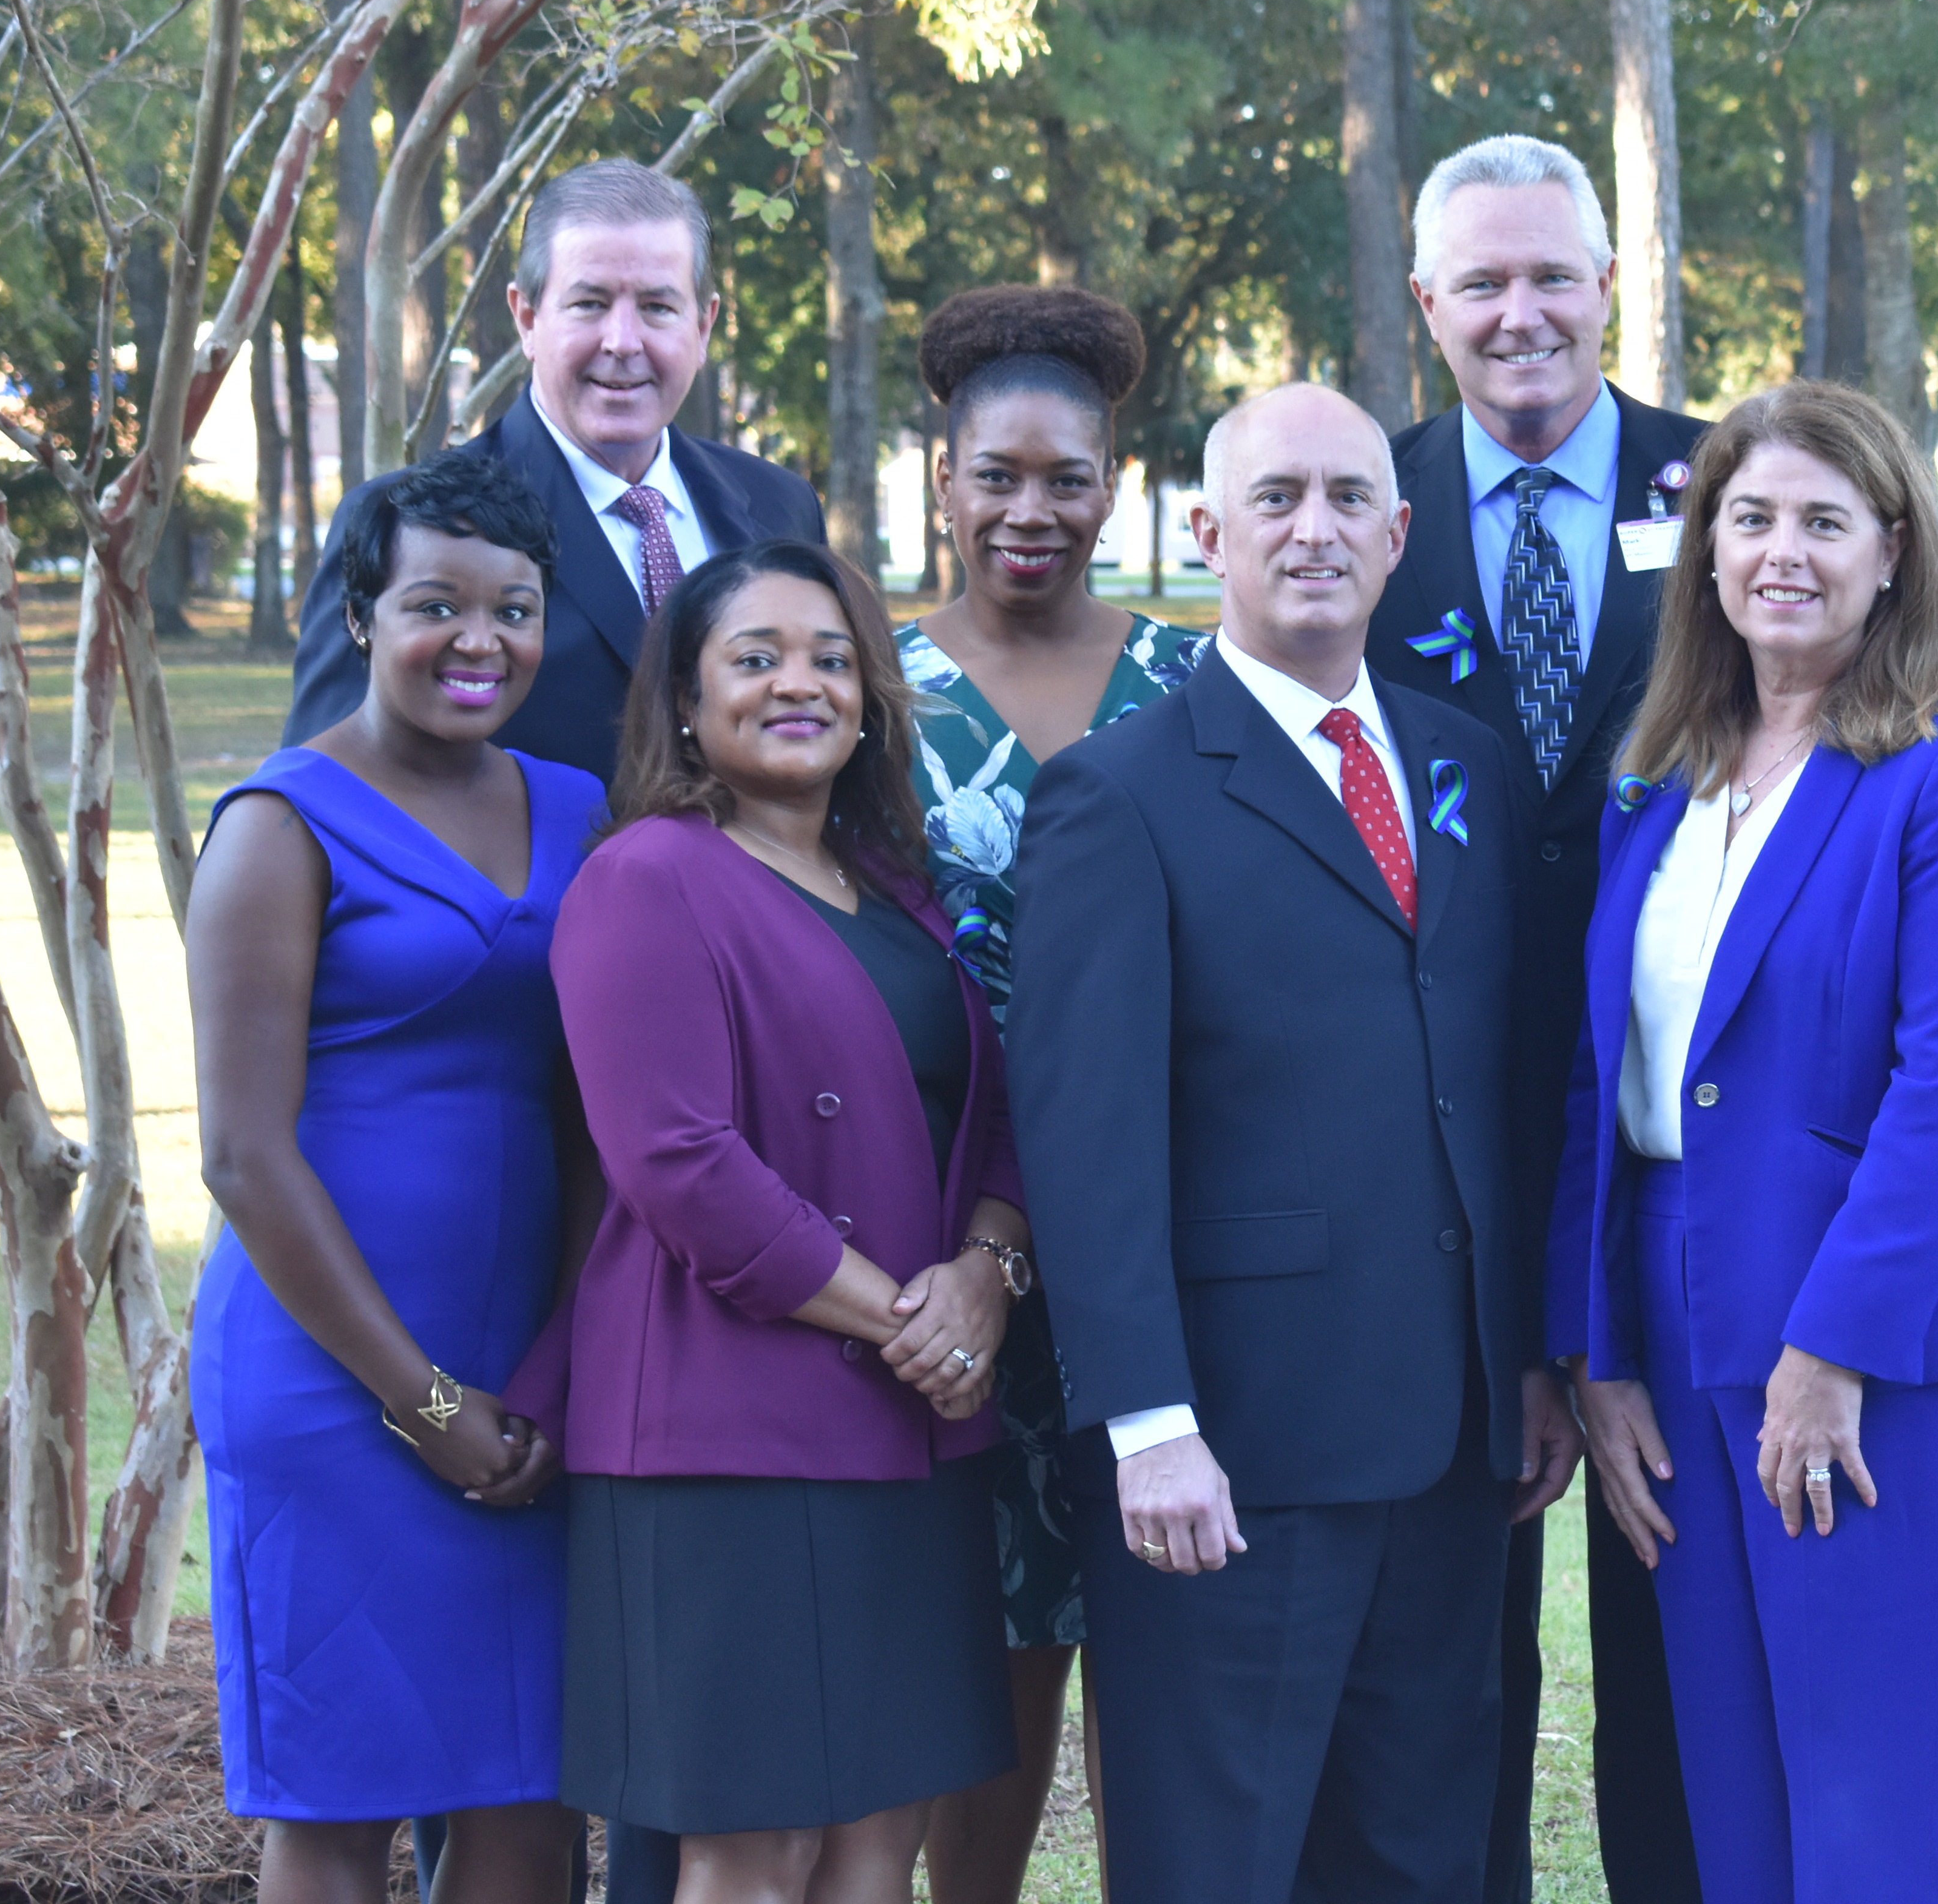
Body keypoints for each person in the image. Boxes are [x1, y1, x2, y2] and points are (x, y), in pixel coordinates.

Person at [1006, 383, 1582, 1903]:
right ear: (1207, 534)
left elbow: (1509, 1082)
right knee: (1223, 1861)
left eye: (1346, 500)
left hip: (1456, 1439)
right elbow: (1088, 1139)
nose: (1313, 530)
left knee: (1429, 1852)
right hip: (1234, 1450)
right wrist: (1146, 1420)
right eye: (1276, 500)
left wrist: (1524, 1356)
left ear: (1400, 536)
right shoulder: (1116, 795)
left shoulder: (1469, 765)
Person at [1551, 380, 1938, 1903]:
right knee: (1734, 1802)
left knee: (1864, 1808)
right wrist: (1599, 1350)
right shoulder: (1662, 778)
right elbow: (1608, 1080)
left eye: (1824, 521)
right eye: (1749, 517)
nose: (1783, 551)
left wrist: (1832, 1351)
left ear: (1893, 552)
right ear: (1703, 551)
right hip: (1674, 1329)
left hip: (1873, 1355)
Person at [536, 540, 1031, 1904]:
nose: (797, 681)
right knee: (755, 1849)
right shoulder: (646, 876)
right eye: (754, 657)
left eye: (828, 656)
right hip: (728, 1429)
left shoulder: (899, 890)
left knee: (880, 1834)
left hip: (914, 1428)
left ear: (871, 696)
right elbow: (678, 1157)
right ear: (686, 705)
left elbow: (994, 1108)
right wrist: (912, 1320)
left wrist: (982, 1281)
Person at [1365, 134, 1706, 1904]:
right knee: (1443, 1671)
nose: (1519, 313)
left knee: (1680, 1641)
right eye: (1479, 282)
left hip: (1678, 1147)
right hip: (1441, 1175)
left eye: (1548, 275)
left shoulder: (1730, 487)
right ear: (1427, 305)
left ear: (1606, 286)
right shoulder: (1370, 501)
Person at [190, 451, 592, 1904]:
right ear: (361, 614)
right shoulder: (278, 824)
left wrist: (550, 1370)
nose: (480, 642)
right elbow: (241, 1149)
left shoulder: (581, 808)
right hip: (329, 1378)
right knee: (341, 1796)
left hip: (533, 1372)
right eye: (436, 605)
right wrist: (422, 1401)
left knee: (532, 1796)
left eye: (516, 608)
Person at [889, 284, 1205, 1904]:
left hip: (1162, 1240)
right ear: (940, 479)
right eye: (995, 474)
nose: (1032, 510)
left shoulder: (1193, 686)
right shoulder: (864, 688)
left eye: (1067, 478)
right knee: (983, 1655)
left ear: (1116, 485)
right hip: (936, 1246)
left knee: (1161, 1651)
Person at [288, 158, 826, 785]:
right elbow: (321, 791)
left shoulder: (781, 506)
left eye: (657, 307)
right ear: (527, 318)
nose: (623, 341)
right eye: (590, 303)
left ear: (704, 325)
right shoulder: (406, 524)